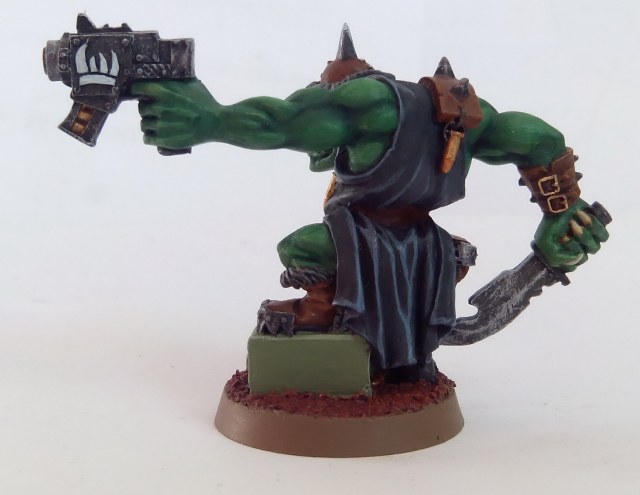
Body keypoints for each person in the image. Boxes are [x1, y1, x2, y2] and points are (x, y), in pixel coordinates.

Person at [131, 26, 608, 383]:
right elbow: (536, 139)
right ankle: (390, 346)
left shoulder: (362, 104)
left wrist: (213, 121)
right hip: (430, 249)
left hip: (366, 241)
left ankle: (322, 310)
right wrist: (564, 209)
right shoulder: (458, 114)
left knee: (298, 247)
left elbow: (281, 122)